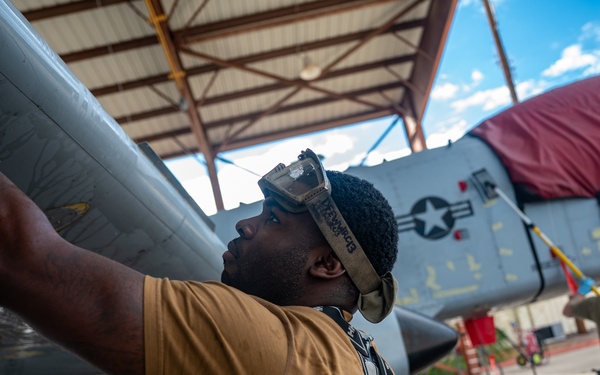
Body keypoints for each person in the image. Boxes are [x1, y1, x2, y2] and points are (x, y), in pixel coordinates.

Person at [0, 148, 399, 374]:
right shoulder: (357, 358)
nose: (245, 224)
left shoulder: (281, 345)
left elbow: (24, 261)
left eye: (273, 219)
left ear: (328, 264)